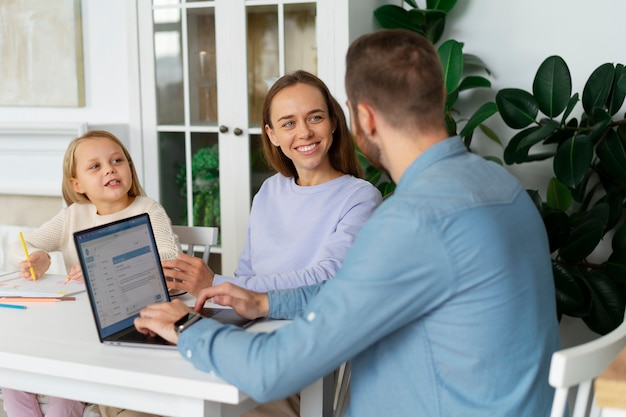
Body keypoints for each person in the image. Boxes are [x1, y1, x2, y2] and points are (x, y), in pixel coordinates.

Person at [134, 29, 561, 417]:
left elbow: (273, 369)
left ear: (362, 119)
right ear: (440, 96)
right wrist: (266, 303)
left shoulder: (411, 221)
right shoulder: (502, 187)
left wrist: (184, 326)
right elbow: (346, 289)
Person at [4, 130, 180, 417]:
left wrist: (102, 271)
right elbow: (22, 246)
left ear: (130, 169)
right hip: (71, 324)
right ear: (77, 184)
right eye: (95, 166)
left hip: (118, 327)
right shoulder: (72, 215)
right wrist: (36, 258)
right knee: (13, 379)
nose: (110, 168)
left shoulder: (148, 210)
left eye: (117, 160)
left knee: (64, 393)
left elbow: (169, 259)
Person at [164, 70, 382, 295]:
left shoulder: (360, 197)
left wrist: (217, 284)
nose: (305, 132)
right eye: (288, 124)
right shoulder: (269, 190)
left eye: (315, 117)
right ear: (272, 135)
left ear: (333, 122)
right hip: (255, 317)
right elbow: (246, 274)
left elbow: (327, 277)